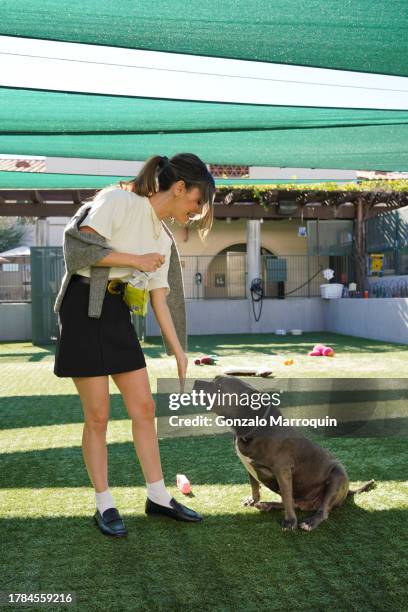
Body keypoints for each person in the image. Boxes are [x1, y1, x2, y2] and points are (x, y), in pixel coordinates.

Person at [53, 153, 216, 537]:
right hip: (83, 305)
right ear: (179, 188)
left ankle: (158, 496)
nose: (196, 210)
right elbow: (78, 250)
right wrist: (136, 259)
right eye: (196, 201)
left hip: (116, 311)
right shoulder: (118, 200)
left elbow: (161, 298)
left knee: (143, 407)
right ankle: (104, 503)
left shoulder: (162, 236)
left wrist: (179, 350)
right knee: (97, 416)